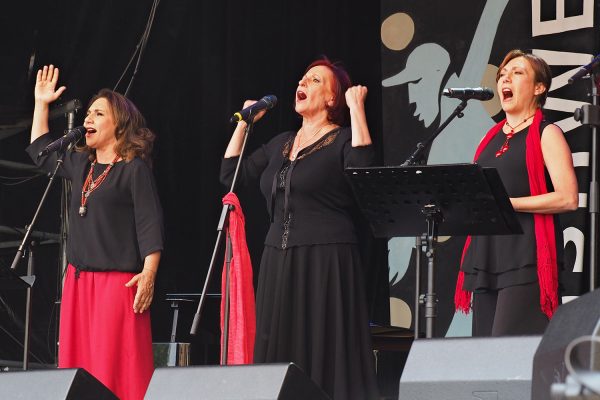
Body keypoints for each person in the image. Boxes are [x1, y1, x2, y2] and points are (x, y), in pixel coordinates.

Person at [220, 58, 378, 400]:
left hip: (327, 256)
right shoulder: (282, 142)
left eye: (315, 80)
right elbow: (231, 174)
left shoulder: (342, 140)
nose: (302, 83)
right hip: (278, 256)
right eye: (303, 78)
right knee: (279, 343)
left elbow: (364, 169)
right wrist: (244, 124)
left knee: (323, 341)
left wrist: (357, 108)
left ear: (333, 98)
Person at [27, 65, 164, 400]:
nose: (88, 119)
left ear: (119, 124)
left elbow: (150, 225)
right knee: (79, 372)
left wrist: (149, 274)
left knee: (112, 373)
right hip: (78, 284)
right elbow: (40, 150)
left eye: (98, 113)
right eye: (88, 113)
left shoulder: (134, 171)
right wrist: (41, 104)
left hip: (115, 287)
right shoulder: (81, 165)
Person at [455, 50, 578, 336]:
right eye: (502, 74)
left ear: (539, 87)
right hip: (487, 258)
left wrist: (506, 204)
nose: (505, 78)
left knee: (509, 356)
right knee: (486, 358)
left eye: (517, 72)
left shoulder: (548, 133)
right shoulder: (491, 137)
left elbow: (568, 198)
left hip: (525, 257)